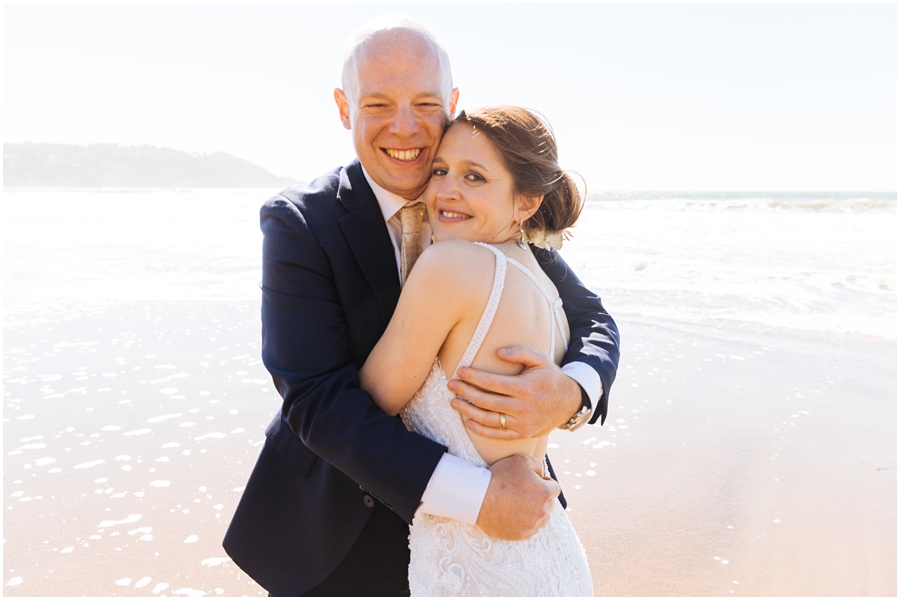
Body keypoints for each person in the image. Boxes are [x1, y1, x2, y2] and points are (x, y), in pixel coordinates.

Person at [222, 15, 619, 597]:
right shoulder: (300, 222)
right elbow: (317, 402)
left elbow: (592, 317)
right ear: (343, 107)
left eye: (425, 103)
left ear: (452, 103)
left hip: (500, 528)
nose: (404, 127)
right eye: (378, 104)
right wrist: (477, 496)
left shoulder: (487, 212)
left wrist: (571, 391)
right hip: (339, 527)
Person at [360, 105, 595, 596]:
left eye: (475, 177)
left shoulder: (449, 266)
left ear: (526, 202)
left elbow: (371, 400)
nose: (447, 190)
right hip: (549, 555)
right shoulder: (542, 281)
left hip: (480, 567)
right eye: (441, 170)